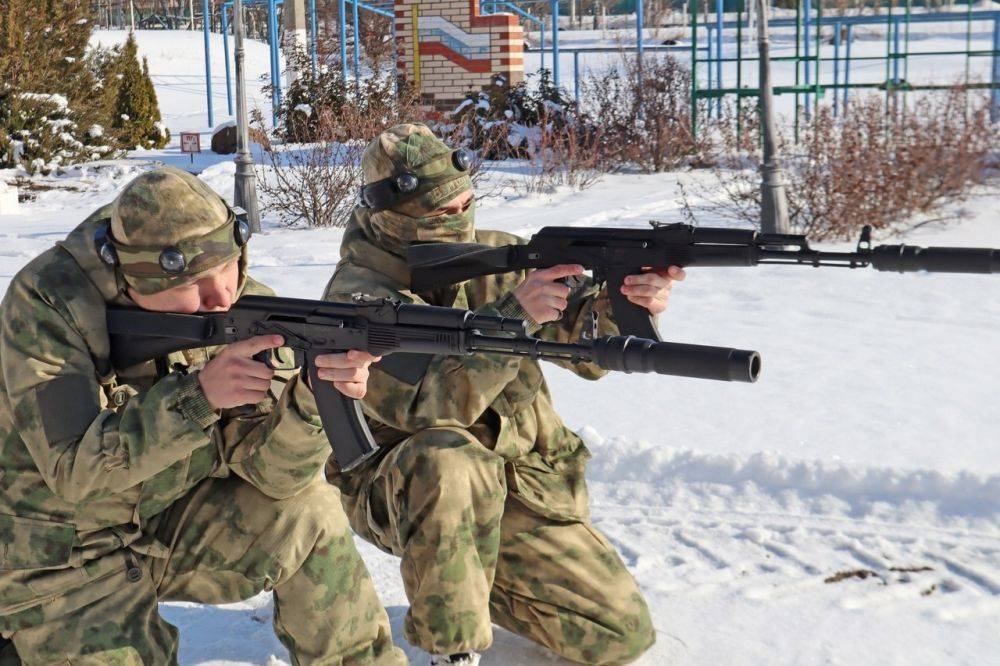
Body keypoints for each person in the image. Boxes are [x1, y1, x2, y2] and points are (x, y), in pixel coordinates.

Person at [0, 167, 407, 665]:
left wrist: (313, 399)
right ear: (135, 282)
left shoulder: (244, 307)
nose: (222, 298)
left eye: (230, 267)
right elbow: (73, 471)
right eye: (195, 285)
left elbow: (274, 478)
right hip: (56, 551)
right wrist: (199, 398)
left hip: (164, 516)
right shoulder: (47, 304)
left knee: (308, 513)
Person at [323, 124, 686, 666]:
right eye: (441, 214)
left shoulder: (495, 258)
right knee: (450, 456)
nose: (462, 221)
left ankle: (466, 577)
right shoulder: (359, 298)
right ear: (393, 217)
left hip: (518, 482)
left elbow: (586, 345)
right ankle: (453, 646)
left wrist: (625, 302)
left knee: (619, 634)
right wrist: (514, 318)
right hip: (412, 487)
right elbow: (427, 408)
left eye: (467, 203)